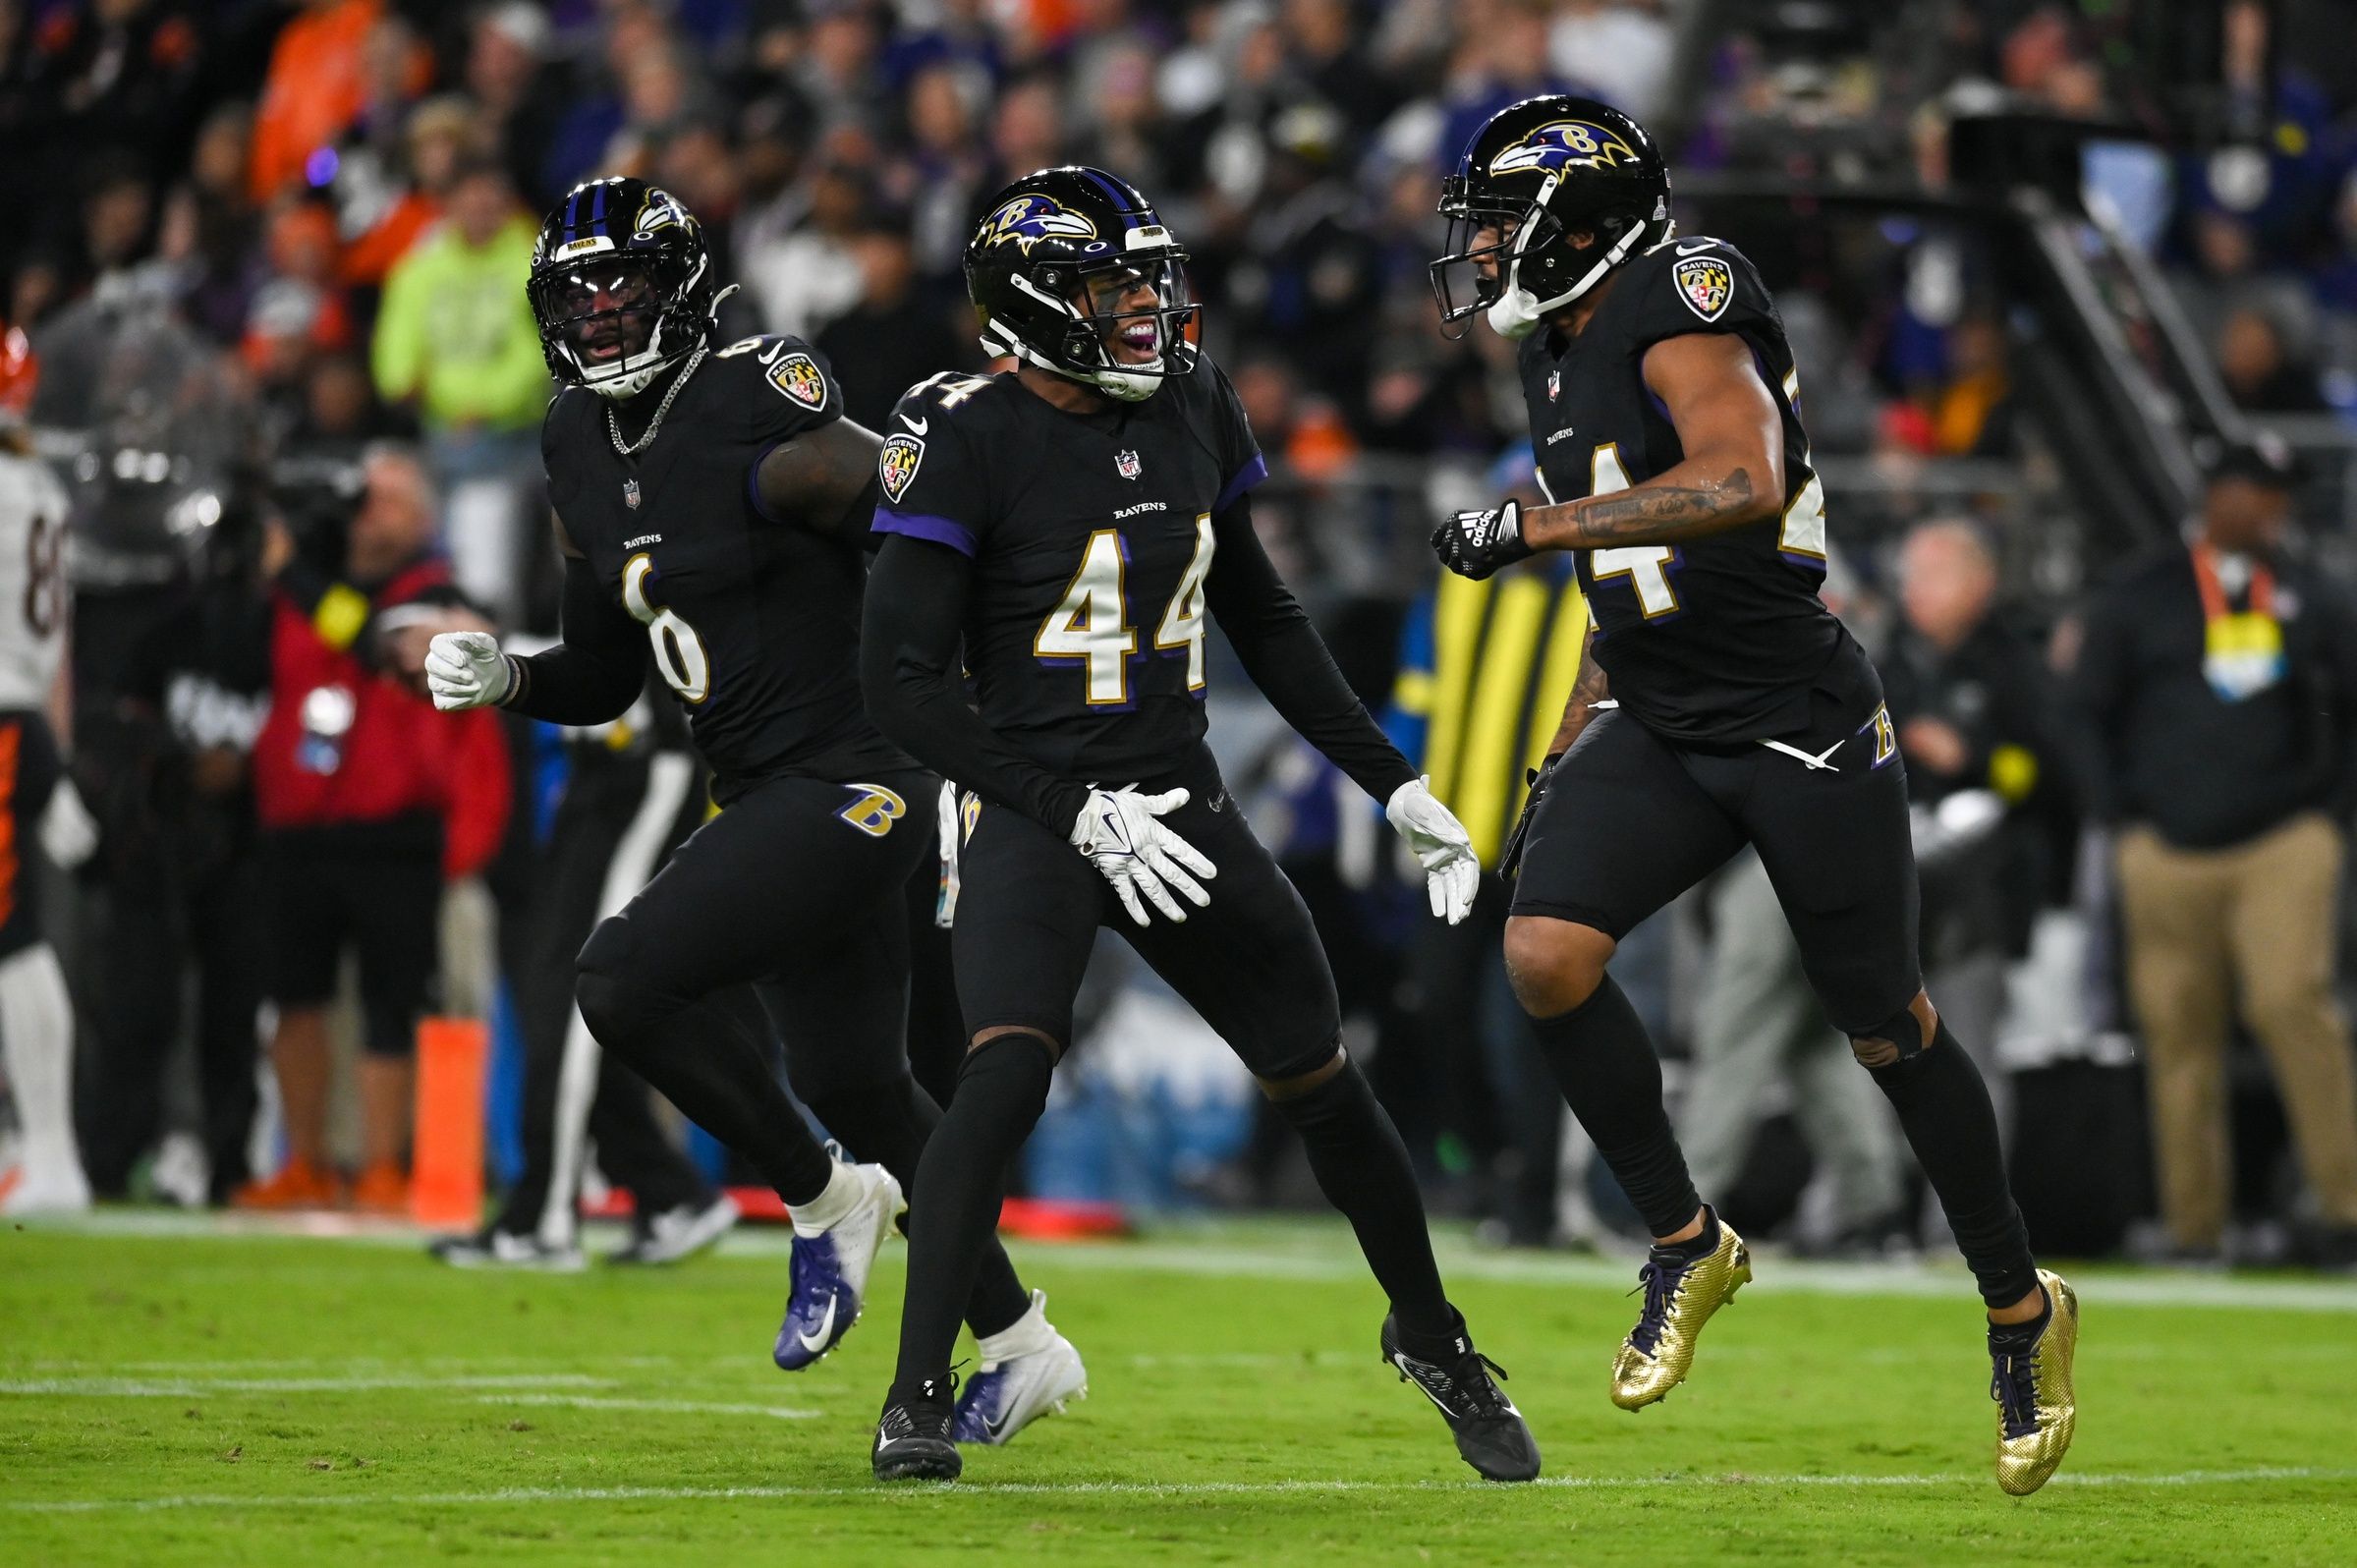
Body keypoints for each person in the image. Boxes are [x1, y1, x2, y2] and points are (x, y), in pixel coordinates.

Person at [1426, 96, 2076, 1493]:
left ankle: (2019, 1310)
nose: (1476, 246)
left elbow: (1738, 474)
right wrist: (1564, 740)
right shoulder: (1552, 347)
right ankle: (1682, 1241)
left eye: (1494, 217)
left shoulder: (1680, 291)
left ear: (1572, 218)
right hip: (1660, 714)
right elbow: (1634, 591)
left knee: (1882, 1028)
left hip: (1794, 724)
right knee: (1543, 952)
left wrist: (1533, 527)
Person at [859, 167, 1534, 1485]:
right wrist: (1061, 805)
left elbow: (1265, 618)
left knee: (1319, 1076)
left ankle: (1433, 1335)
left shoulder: (1187, 397)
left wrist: (1388, 783)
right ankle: (914, 1393)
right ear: (1034, 305)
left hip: (1176, 798)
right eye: (1110, 287)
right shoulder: (959, 432)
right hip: (1030, 803)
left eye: (1142, 280)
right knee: (998, 1077)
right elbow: (896, 684)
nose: (1142, 308)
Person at [423, 180, 1081, 1432]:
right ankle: (1018, 1336)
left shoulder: (753, 386)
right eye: (576, 295)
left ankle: (820, 1196)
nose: (601, 314)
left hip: (860, 775)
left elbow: (912, 507)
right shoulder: (572, 438)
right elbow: (608, 673)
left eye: (621, 286)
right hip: (766, 782)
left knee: (619, 980)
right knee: (862, 1082)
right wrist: (508, 675)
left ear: (678, 284)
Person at [2076, 436, 2357, 1268]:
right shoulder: (2143, 592)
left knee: (2289, 1003)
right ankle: (2194, 1226)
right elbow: (2085, 709)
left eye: (2274, 494)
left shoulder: (2317, 594)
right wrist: (2118, 815)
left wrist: (2329, 815)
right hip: (2165, 846)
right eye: (2248, 491)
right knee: (2176, 1033)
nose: (2264, 508)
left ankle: (2343, 1208)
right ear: (2213, 497)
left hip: (2283, 840)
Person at [238, 444, 510, 1213]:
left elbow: (367, 637)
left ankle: (383, 1166)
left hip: (396, 828)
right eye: (365, 496)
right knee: (294, 998)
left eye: (388, 498)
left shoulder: (433, 592)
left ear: (423, 517)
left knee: (393, 1005)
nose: (368, 510)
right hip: (299, 820)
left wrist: (290, 570)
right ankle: (308, 1163)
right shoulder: (302, 583)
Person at [429, 686, 737, 1270]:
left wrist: (495, 644)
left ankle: (542, 1218)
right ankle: (668, 1191)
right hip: (595, 765)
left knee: (572, 996)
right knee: (569, 1000)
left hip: (645, 761)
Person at [0, 324, 95, 1214]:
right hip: (24, 714)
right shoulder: (37, 487)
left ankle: (53, 1152)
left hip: (0, 719)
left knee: (11, 939)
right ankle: (32, 1144)